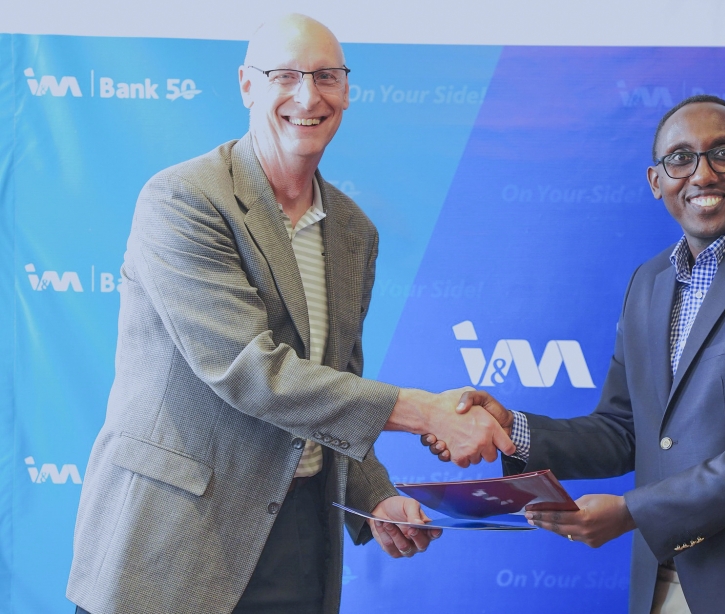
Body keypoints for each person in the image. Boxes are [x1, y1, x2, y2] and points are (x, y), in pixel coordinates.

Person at [66, 14, 513, 614]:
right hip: (173, 541)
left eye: (327, 76)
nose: (309, 95)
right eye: (285, 75)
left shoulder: (355, 231)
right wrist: (423, 410)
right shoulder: (184, 200)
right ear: (248, 86)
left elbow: (335, 381)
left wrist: (377, 496)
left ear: (347, 92)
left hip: (299, 539)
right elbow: (251, 371)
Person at [425, 95, 725, 613]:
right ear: (656, 181)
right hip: (668, 580)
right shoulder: (649, 282)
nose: (702, 174)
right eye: (680, 158)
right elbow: (626, 429)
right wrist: (513, 430)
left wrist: (634, 513)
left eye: (724, 154)